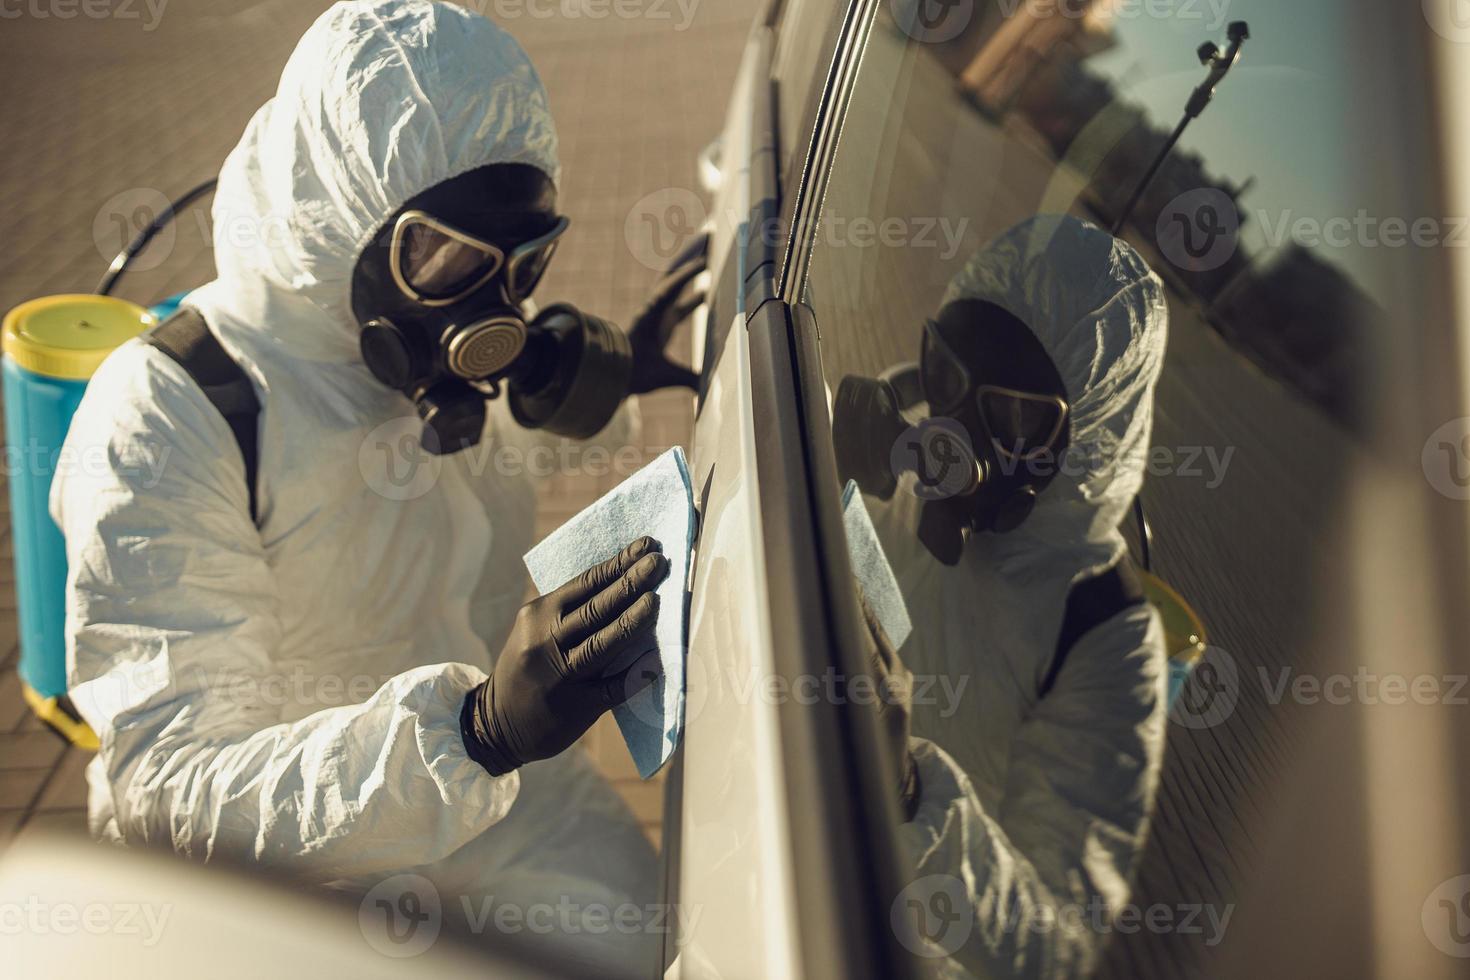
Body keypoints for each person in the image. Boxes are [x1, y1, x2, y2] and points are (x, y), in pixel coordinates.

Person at [50, 1, 700, 970]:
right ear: (336, 212)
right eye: (445, 260)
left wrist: (596, 392)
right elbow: (170, 789)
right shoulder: (171, 410)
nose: (496, 312)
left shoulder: (424, 357)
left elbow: (482, 465)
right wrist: (472, 733)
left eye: (526, 263)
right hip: (299, 859)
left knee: (659, 939)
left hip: (501, 801)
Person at [848, 215, 1170, 978]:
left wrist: (909, 798)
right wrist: (817, 476)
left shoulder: (1106, 639)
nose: (950, 430)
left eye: (1014, 419)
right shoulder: (882, 462)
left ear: (1089, 438)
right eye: (946, 374)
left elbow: (1055, 951)